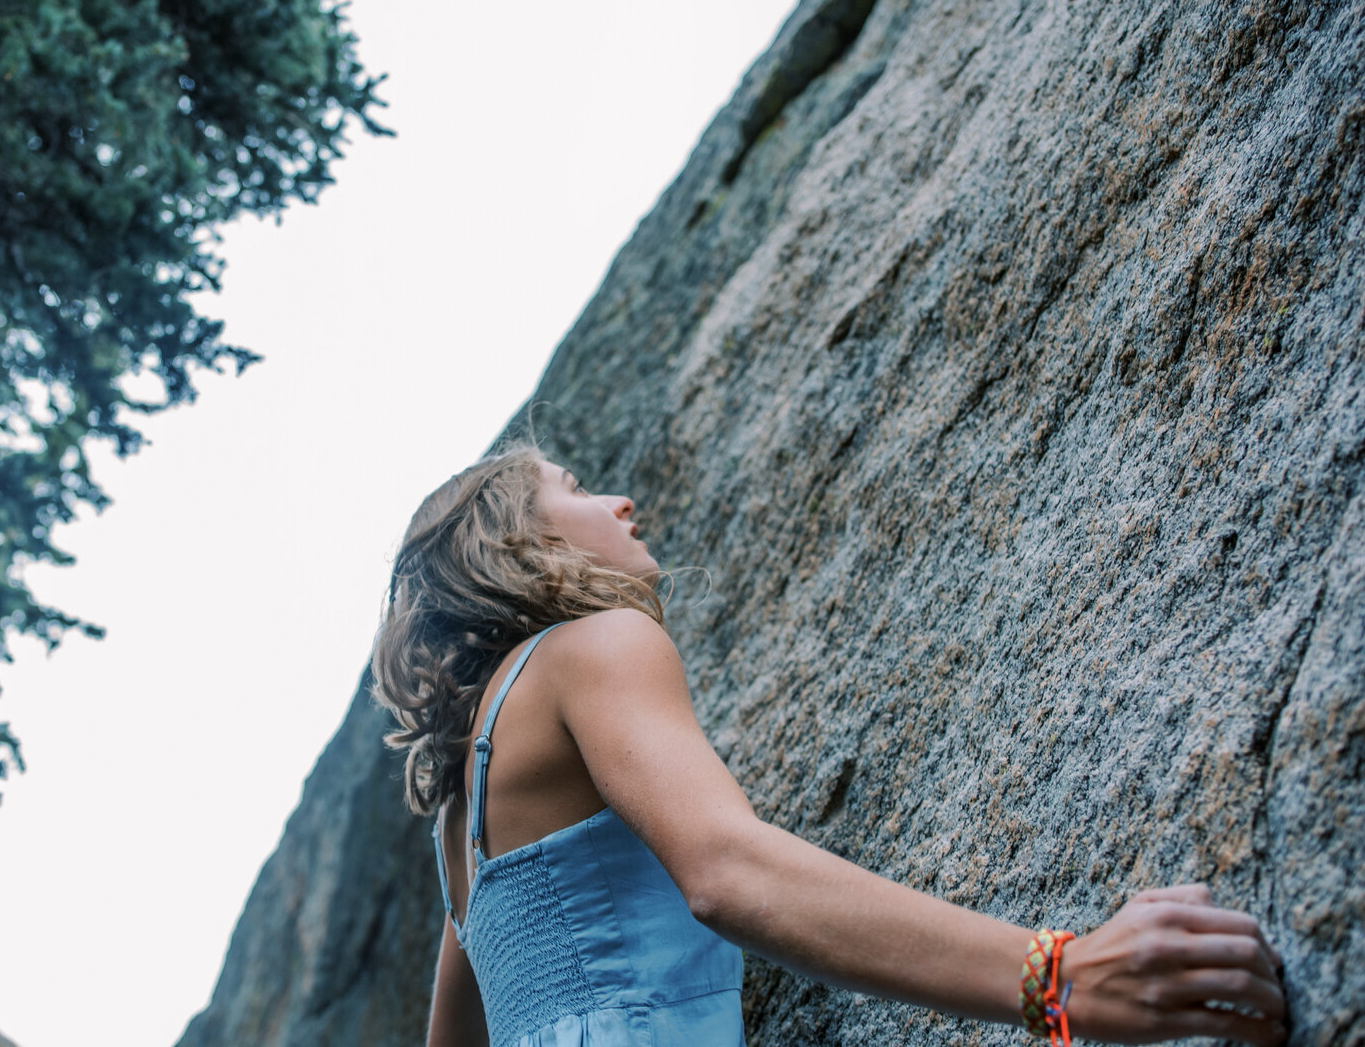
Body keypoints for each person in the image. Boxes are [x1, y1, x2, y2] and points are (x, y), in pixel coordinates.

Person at [371, 443, 1288, 1047]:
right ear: (517, 544)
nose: (621, 502)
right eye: (574, 490)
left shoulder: (462, 812)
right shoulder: (593, 646)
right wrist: (1058, 978)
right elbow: (729, 874)